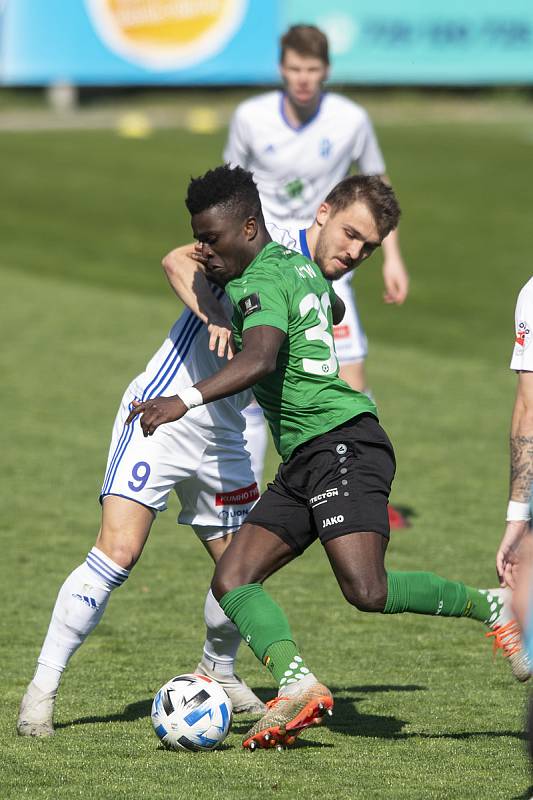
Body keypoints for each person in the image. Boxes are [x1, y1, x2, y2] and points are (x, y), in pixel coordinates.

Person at [128, 165, 530, 751]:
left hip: (343, 442)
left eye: (211, 240)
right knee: (233, 577)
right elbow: (329, 313)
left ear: (247, 228)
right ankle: (298, 685)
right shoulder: (300, 268)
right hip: (309, 455)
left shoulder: (260, 280)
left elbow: (262, 357)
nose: (204, 252)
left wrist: (181, 400)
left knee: (366, 590)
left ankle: (491, 605)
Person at [16, 263, 267, 738]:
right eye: (352, 238)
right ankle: (41, 691)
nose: (355, 253)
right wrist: (214, 313)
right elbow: (177, 259)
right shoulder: (253, 238)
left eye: (369, 246)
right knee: (118, 552)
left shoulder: (306, 277)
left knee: (242, 567)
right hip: (162, 414)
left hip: (225, 436)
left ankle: (219, 671)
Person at [224, 24, 409, 495]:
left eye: (312, 70)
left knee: (351, 379)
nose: (302, 79)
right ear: (281, 69)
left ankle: (360, 482)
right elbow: (229, 186)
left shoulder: (351, 120)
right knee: (255, 375)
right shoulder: (251, 117)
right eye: (294, 69)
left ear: (325, 71)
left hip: (328, 258)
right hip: (266, 260)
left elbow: (378, 192)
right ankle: (245, 492)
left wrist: (392, 258)